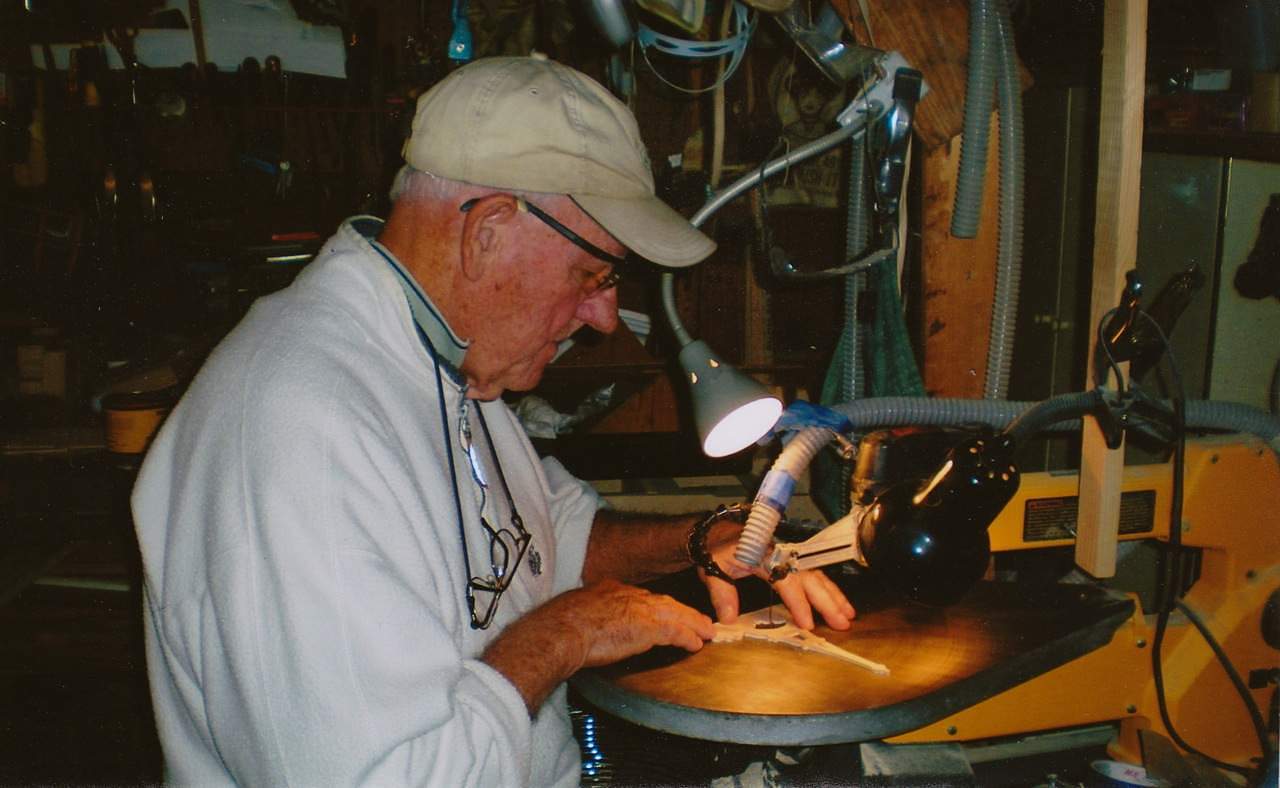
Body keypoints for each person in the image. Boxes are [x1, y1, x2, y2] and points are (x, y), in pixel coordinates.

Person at [132, 54, 855, 786]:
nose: (605, 318)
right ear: (488, 230)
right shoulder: (297, 435)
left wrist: (702, 538)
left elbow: (540, 537)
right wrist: (567, 633)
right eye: (593, 276)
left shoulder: (442, 360)